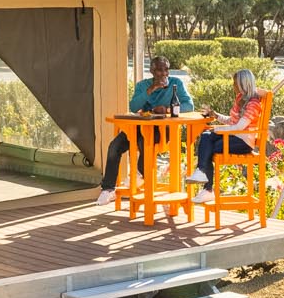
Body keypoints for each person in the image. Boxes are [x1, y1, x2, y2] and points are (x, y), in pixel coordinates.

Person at [96, 55, 196, 204]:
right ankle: (108, 189)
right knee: (114, 146)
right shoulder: (143, 86)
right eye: (159, 70)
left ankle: (139, 175)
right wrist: (151, 89)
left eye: (166, 70)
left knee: (145, 142)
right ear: (152, 71)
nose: (164, 74)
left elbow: (189, 105)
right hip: (139, 127)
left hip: (162, 130)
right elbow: (134, 107)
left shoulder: (176, 83)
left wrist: (167, 109)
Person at [189, 68, 264, 206]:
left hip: (243, 142)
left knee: (209, 146)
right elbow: (232, 121)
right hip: (233, 137)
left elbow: (239, 127)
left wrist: (218, 129)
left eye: (235, 83)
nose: (233, 85)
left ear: (243, 84)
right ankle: (203, 177)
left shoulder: (253, 104)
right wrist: (216, 115)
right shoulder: (240, 98)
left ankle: (206, 185)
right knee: (206, 135)